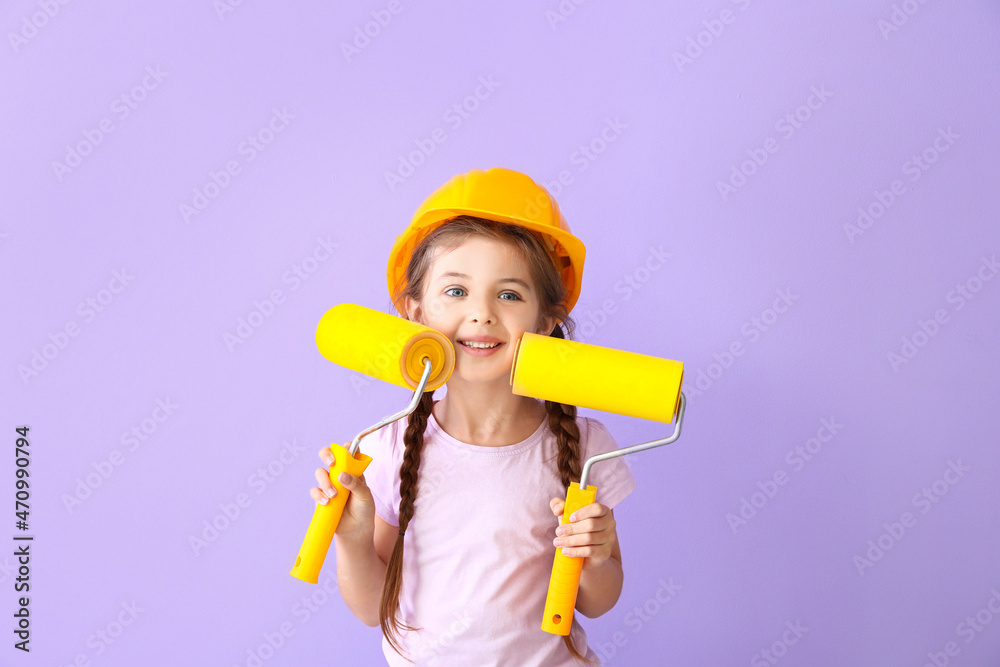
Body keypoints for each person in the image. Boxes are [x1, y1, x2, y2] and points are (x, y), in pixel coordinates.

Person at [307, 167, 636, 665]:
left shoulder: (585, 447)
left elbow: (598, 601)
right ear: (415, 313)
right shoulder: (387, 448)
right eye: (456, 291)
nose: (482, 313)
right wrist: (353, 540)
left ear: (546, 322)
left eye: (509, 294)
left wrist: (596, 553)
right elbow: (374, 609)